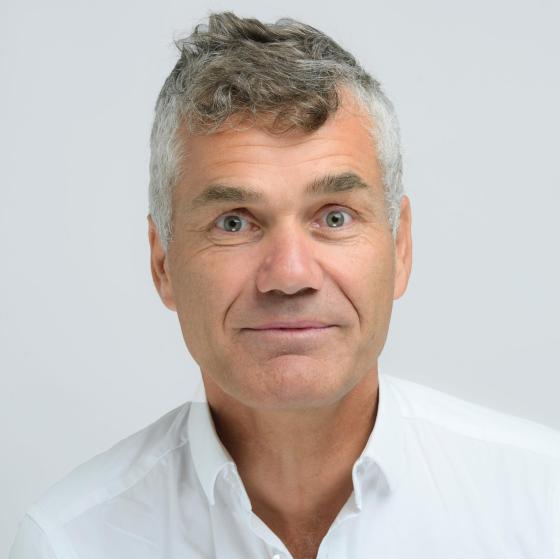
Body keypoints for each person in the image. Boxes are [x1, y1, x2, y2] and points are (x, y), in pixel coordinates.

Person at [10, 11, 560, 559]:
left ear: (400, 246)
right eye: (234, 222)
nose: (291, 275)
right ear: (162, 264)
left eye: (335, 217)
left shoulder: (543, 506)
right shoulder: (69, 544)